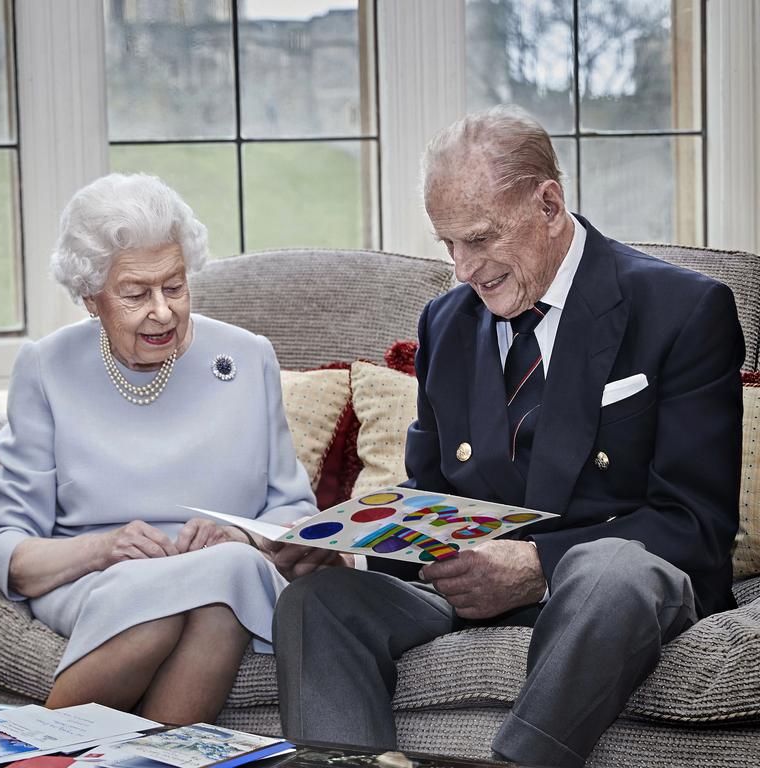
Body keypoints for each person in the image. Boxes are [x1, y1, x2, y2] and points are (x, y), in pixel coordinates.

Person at [273, 105, 743, 768]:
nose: (463, 268)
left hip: (608, 596)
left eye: (480, 238)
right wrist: (351, 548)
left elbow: (695, 525)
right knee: (319, 601)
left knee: (609, 570)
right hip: (468, 592)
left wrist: (536, 567)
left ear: (548, 203)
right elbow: (432, 495)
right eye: (448, 245)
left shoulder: (682, 310)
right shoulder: (446, 322)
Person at [0, 173, 342, 724]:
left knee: (223, 583)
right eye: (135, 294)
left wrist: (238, 533)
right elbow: (9, 551)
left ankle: (26, 753)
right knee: (170, 605)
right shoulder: (46, 367)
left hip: (228, 567)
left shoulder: (248, 357)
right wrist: (105, 549)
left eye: (174, 287)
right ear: (90, 298)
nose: (163, 311)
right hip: (96, 577)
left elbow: (293, 512)